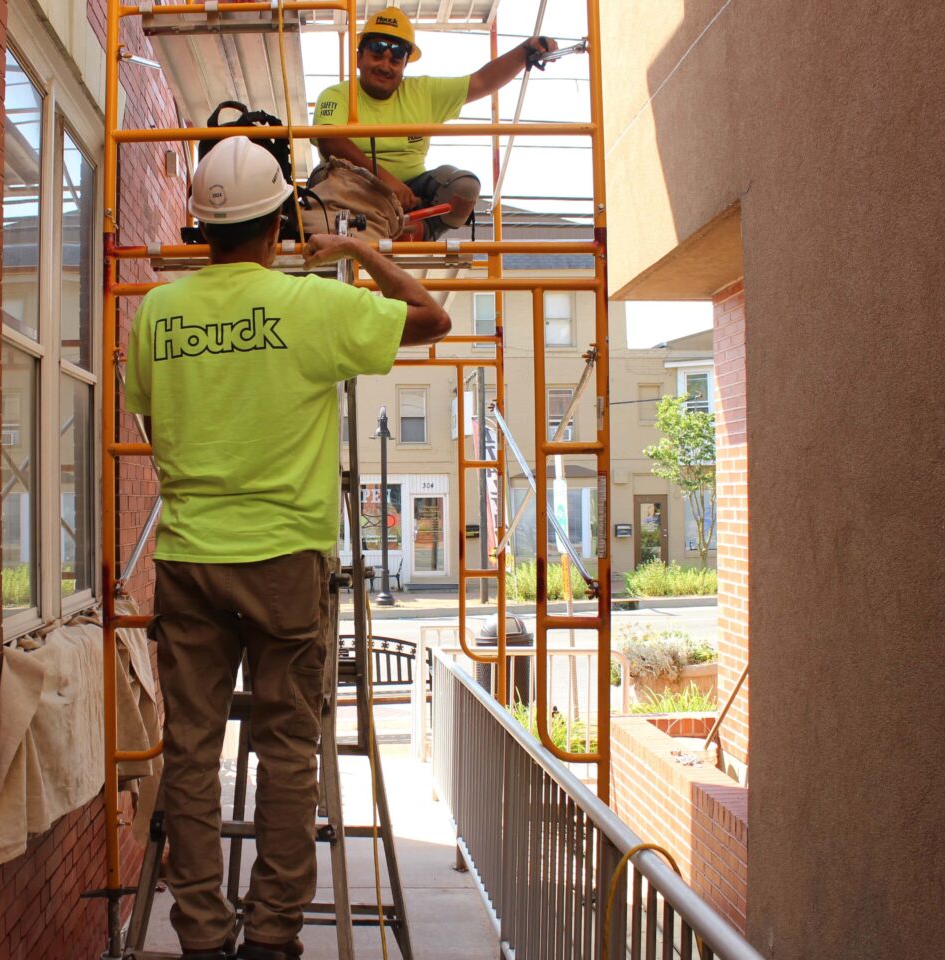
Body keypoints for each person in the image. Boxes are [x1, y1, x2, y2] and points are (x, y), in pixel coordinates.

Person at [125, 137, 449, 960]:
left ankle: (201, 937)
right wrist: (361, 248)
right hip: (285, 563)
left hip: (189, 558)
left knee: (192, 755)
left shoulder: (157, 313)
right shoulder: (311, 306)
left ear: (202, 226)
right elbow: (432, 319)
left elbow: (158, 429)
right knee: (286, 752)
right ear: (279, 225)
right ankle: (270, 939)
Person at [312, 6, 560, 240]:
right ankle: (376, 226)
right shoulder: (336, 95)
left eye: (395, 61)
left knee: (465, 187)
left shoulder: (423, 92)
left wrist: (525, 51)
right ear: (358, 59)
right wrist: (386, 182)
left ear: (405, 65)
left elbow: (482, 82)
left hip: (410, 195)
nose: (385, 66)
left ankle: (417, 231)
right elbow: (331, 142)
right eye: (377, 56)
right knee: (324, 177)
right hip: (352, 188)